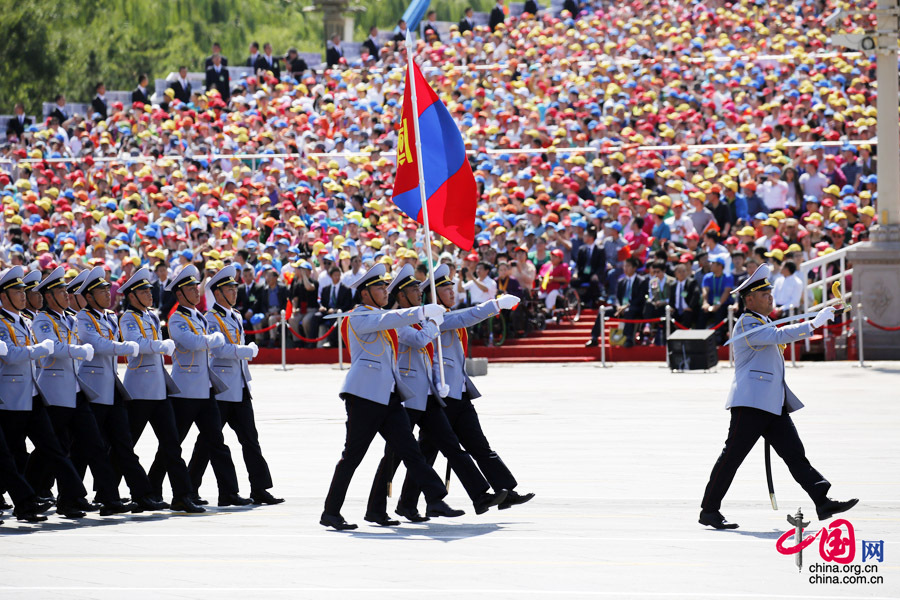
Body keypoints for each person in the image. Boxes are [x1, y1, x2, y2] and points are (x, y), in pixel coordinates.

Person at [699, 264, 858, 529]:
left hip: (772, 402)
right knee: (732, 458)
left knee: (795, 454)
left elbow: (776, 335)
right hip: (751, 403)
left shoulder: (762, 320)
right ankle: (709, 510)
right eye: (764, 294)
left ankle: (822, 500)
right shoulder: (748, 323)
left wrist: (816, 319)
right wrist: (814, 323)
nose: (770, 297)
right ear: (749, 299)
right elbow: (778, 335)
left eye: (770, 292)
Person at [321, 262, 464, 530]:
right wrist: (421, 311)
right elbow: (388, 319)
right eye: (379, 287)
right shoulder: (360, 316)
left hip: (388, 396)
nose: (386, 291)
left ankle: (432, 495)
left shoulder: (379, 317)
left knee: (409, 450)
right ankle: (331, 512)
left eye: (386, 286)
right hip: (363, 397)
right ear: (365, 293)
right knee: (353, 456)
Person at [365, 265, 508, 525]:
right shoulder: (394, 319)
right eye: (412, 290)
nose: (419, 294)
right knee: (394, 457)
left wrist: (494, 305)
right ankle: (376, 509)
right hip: (407, 397)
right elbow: (419, 340)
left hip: (429, 393)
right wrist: (432, 321)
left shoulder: (420, 316)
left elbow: (464, 317)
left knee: (452, 446)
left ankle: (480, 495)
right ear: (400, 295)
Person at [397, 264, 533, 514]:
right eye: (446, 288)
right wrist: (494, 305)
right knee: (428, 453)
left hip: (459, 393)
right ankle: (409, 503)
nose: (452, 291)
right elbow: (465, 316)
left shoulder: (445, 316)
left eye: (451, 286)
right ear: (435, 296)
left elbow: (463, 315)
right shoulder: (434, 319)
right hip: (442, 396)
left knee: (478, 445)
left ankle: (505, 491)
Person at [29, 267, 132, 516]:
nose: (66, 295)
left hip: (76, 390)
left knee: (93, 444)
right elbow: (52, 347)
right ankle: (31, 493)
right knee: (50, 449)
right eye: (60, 291)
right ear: (49, 296)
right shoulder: (43, 320)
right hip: (54, 392)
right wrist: (77, 351)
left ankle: (108, 498)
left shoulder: (70, 319)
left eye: (66, 290)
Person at [147, 265, 250, 508]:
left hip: (204, 390)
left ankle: (228, 492)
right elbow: (190, 342)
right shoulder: (176, 318)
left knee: (217, 442)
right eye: (191, 288)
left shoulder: (199, 317)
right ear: (180, 294)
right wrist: (211, 339)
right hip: (185, 391)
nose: (196, 291)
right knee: (172, 445)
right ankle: (153, 489)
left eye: (196, 287)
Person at [0, 267, 94, 519]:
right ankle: (25, 502)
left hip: (32, 395)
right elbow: (10, 356)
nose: (23, 295)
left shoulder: (25, 322)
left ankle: (72, 495)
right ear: (3, 296)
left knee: (52, 447)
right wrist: (39, 350)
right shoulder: (2, 324)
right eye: (16, 291)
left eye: (22, 290)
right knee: (10, 456)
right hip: (9, 400)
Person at [74, 267, 167, 513]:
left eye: (107, 289)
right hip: (92, 389)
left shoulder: (109, 317)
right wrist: (126, 347)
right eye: (101, 291)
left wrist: (124, 347)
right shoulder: (83, 318)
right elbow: (97, 344)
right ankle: (73, 496)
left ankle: (140, 494)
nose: (108, 294)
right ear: (89, 296)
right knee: (86, 448)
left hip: (112, 388)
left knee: (122, 444)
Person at [189, 266, 283, 505]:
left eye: (234, 288)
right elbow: (216, 349)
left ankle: (259, 488)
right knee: (208, 442)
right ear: (217, 293)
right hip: (220, 388)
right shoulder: (211, 318)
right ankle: (189, 488)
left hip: (239, 386)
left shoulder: (236, 316)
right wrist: (244, 351)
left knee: (250, 439)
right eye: (229, 289)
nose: (234, 292)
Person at [118, 268, 204, 513]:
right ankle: (110, 492)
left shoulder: (152, 317)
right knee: (126, 444)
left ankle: (182, 495)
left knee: (171, 445)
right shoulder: (128, 318)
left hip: (159, 389)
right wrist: (159, 345)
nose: (150, 294)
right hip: (139, 390)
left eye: (150, 290)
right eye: (144, 291)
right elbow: (136, 345)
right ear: (132, 295)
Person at [586, 257, 647, 348]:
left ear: (634, 268)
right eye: (624, 266)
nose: (625, 268)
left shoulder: (641, 281)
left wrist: (625, 306)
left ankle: (628, 338)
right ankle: (594, 338)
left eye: (628, 266)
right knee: (603, 311)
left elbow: (640, 299)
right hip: (620, 308)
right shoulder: (621, 281)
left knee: (629, 312)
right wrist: (618, 306)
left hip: (634, 308)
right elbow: (617, 297)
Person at [572, 226, 605, 307]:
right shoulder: (582, 249)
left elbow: (601, 265)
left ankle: (591, 301)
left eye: (585, 236)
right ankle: (579, 300)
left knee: (594, 282)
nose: (583, 237)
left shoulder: (600, 249)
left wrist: (596, 274)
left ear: (591, 237)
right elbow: (578, 264)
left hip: (594, 273)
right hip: (584, 274)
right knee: (573, 282)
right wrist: (575, 273)